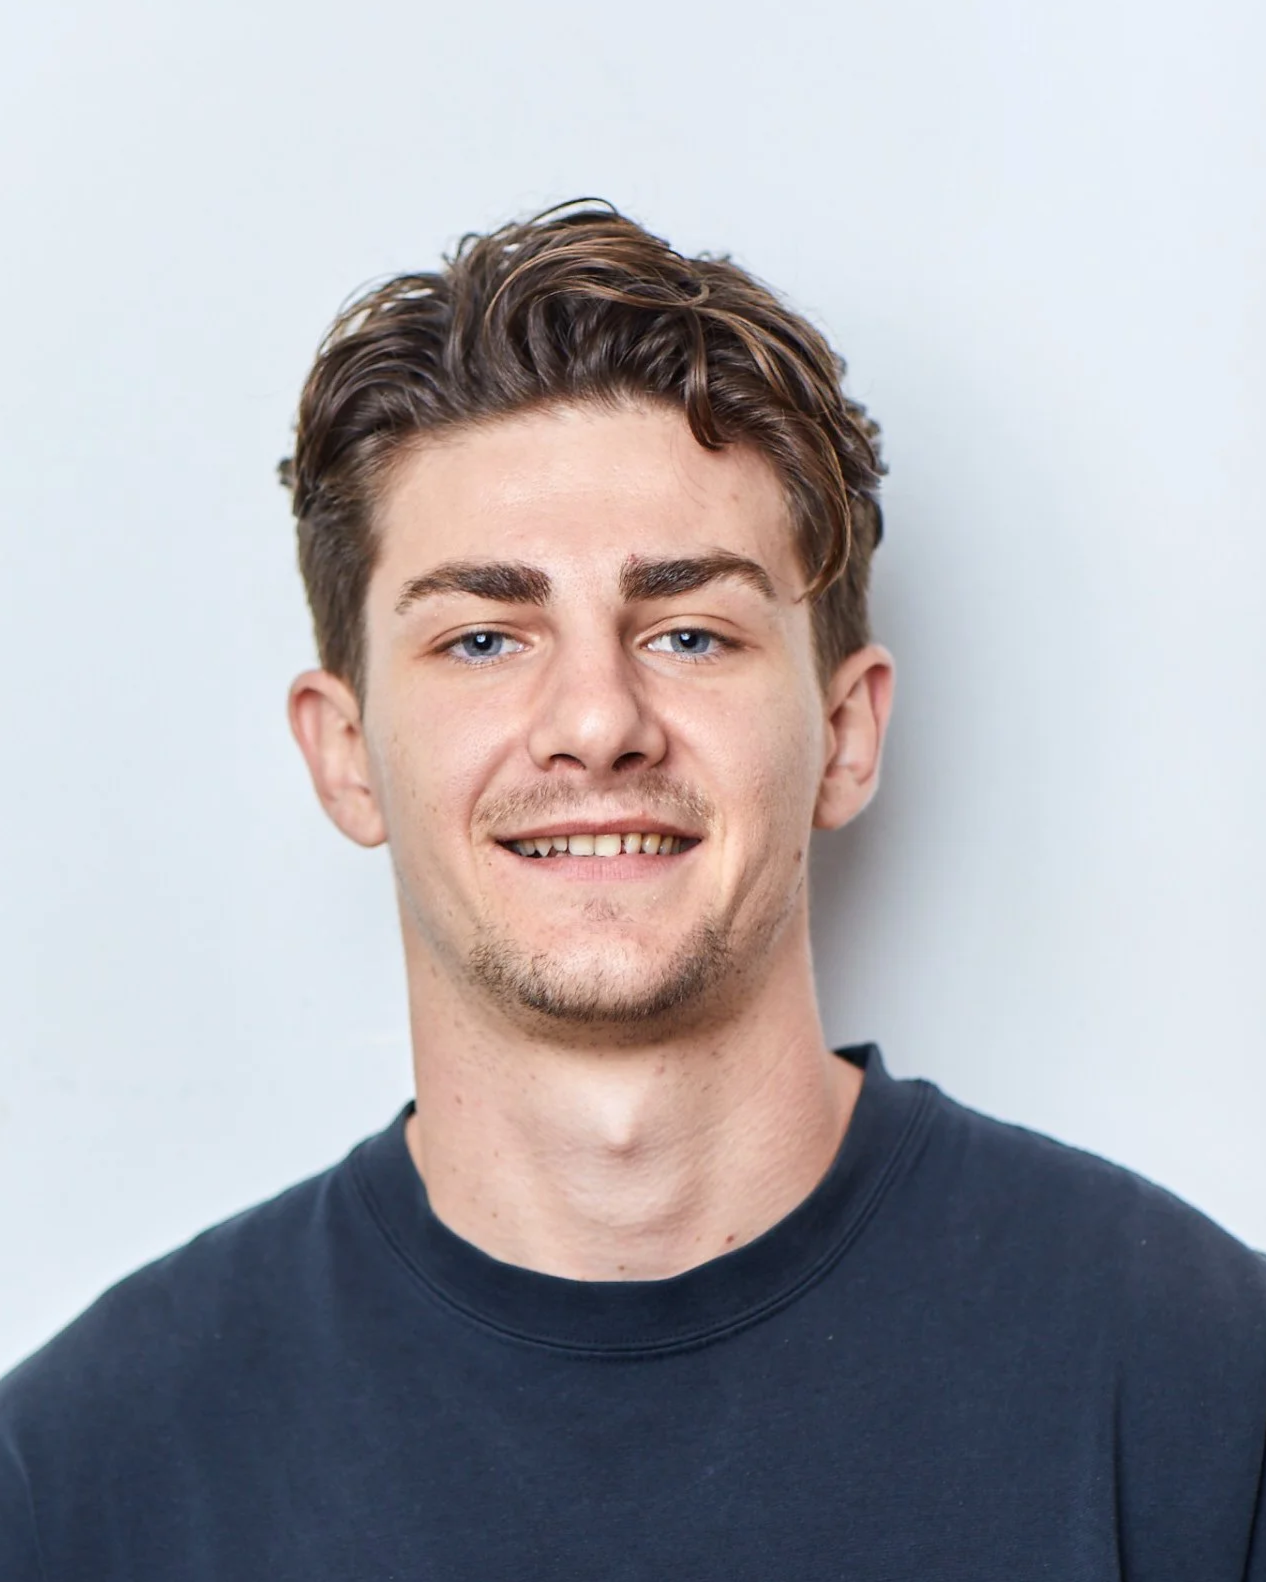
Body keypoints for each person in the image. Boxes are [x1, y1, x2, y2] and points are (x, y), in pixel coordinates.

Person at [2, 201, 1263, 1581]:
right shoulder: (82, 1479)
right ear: (344, 751)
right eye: (482, 636)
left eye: (687, 629)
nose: (596, 720)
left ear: (845, 731)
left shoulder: (1195, 1388)